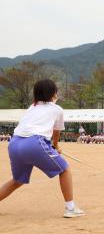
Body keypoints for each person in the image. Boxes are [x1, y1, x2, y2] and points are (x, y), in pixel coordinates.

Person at [0, 79, 84, 218]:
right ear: (53, 93)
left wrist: (51, 146)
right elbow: (56, 132)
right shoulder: (57, 109)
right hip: (34, 143)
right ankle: (70, 208)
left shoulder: (32, 107)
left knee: (17, 180)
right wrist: (56, 146)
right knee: (64, 169)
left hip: (14, 143)